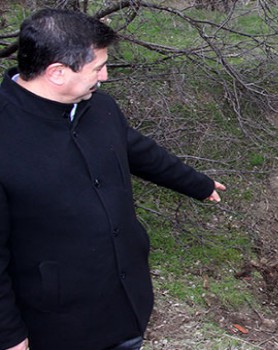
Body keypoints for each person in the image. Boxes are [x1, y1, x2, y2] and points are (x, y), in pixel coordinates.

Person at [0, 8, 226, 350]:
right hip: (58, 324)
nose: (104, 76)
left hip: (125, 303)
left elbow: (140, 151)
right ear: (57, 72)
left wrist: (197, 184)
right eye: (97, 68)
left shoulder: (100, 108)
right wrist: (9, 335)